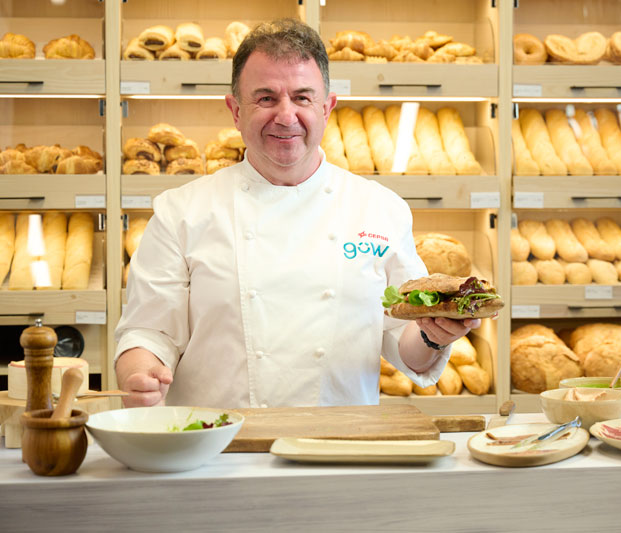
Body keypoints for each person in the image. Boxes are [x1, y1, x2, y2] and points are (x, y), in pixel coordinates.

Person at [115, 19, 481, 409]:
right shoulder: (181, 212)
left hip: (337, 447)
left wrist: (433, 335)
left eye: (303, 98)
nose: (286, 116)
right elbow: (148, 331)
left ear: (327, 108)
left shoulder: (380, 209)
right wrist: (139, 374)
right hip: (219, 451)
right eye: (266, 98)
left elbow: (405, 340)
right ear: (235, 110)